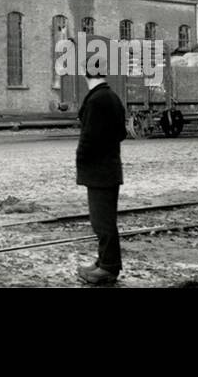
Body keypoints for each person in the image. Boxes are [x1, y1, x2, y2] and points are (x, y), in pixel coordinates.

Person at [76, 61, 127, 285]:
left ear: (86, 75)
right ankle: (103, 261)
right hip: (109, 168)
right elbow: (121, 133)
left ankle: (108, 268)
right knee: (105, 220)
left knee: (102, 223)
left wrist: (82, 160)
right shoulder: (112, 97)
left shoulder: (96, 100)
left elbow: (89, 138)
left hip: (99, 170)